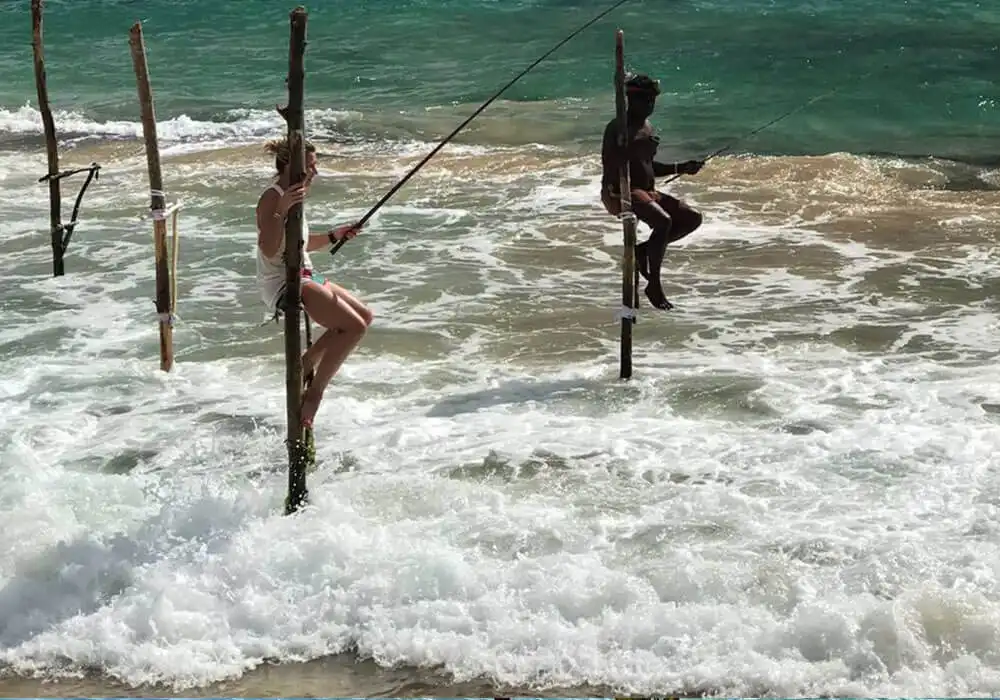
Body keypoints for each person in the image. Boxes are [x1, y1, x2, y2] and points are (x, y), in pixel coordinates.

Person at [255, 137, 374, 427]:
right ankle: (315, 394)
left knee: (365, 317)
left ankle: (305, 363)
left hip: (306, 272)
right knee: (352, 326)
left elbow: (301, 243)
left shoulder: (296, 194)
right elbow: (269, 248)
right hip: (284, 281)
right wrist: (281, 209)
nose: (315, 173)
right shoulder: (273, 197)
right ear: (290, 167)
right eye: (310, 166)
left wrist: (336, 235)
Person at [600, 73, 706, 310]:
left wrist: (681, 167)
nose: (650, 106)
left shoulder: (647, 127)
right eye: (645, 100)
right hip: (620, 190)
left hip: (646, 190)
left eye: (652, 101)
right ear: (630, 100)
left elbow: (648, 167)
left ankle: (643, 252)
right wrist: (625, 146)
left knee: (691, 218)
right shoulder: (617, 127)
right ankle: (654, 284)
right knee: (663, 221)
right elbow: (612, 166)